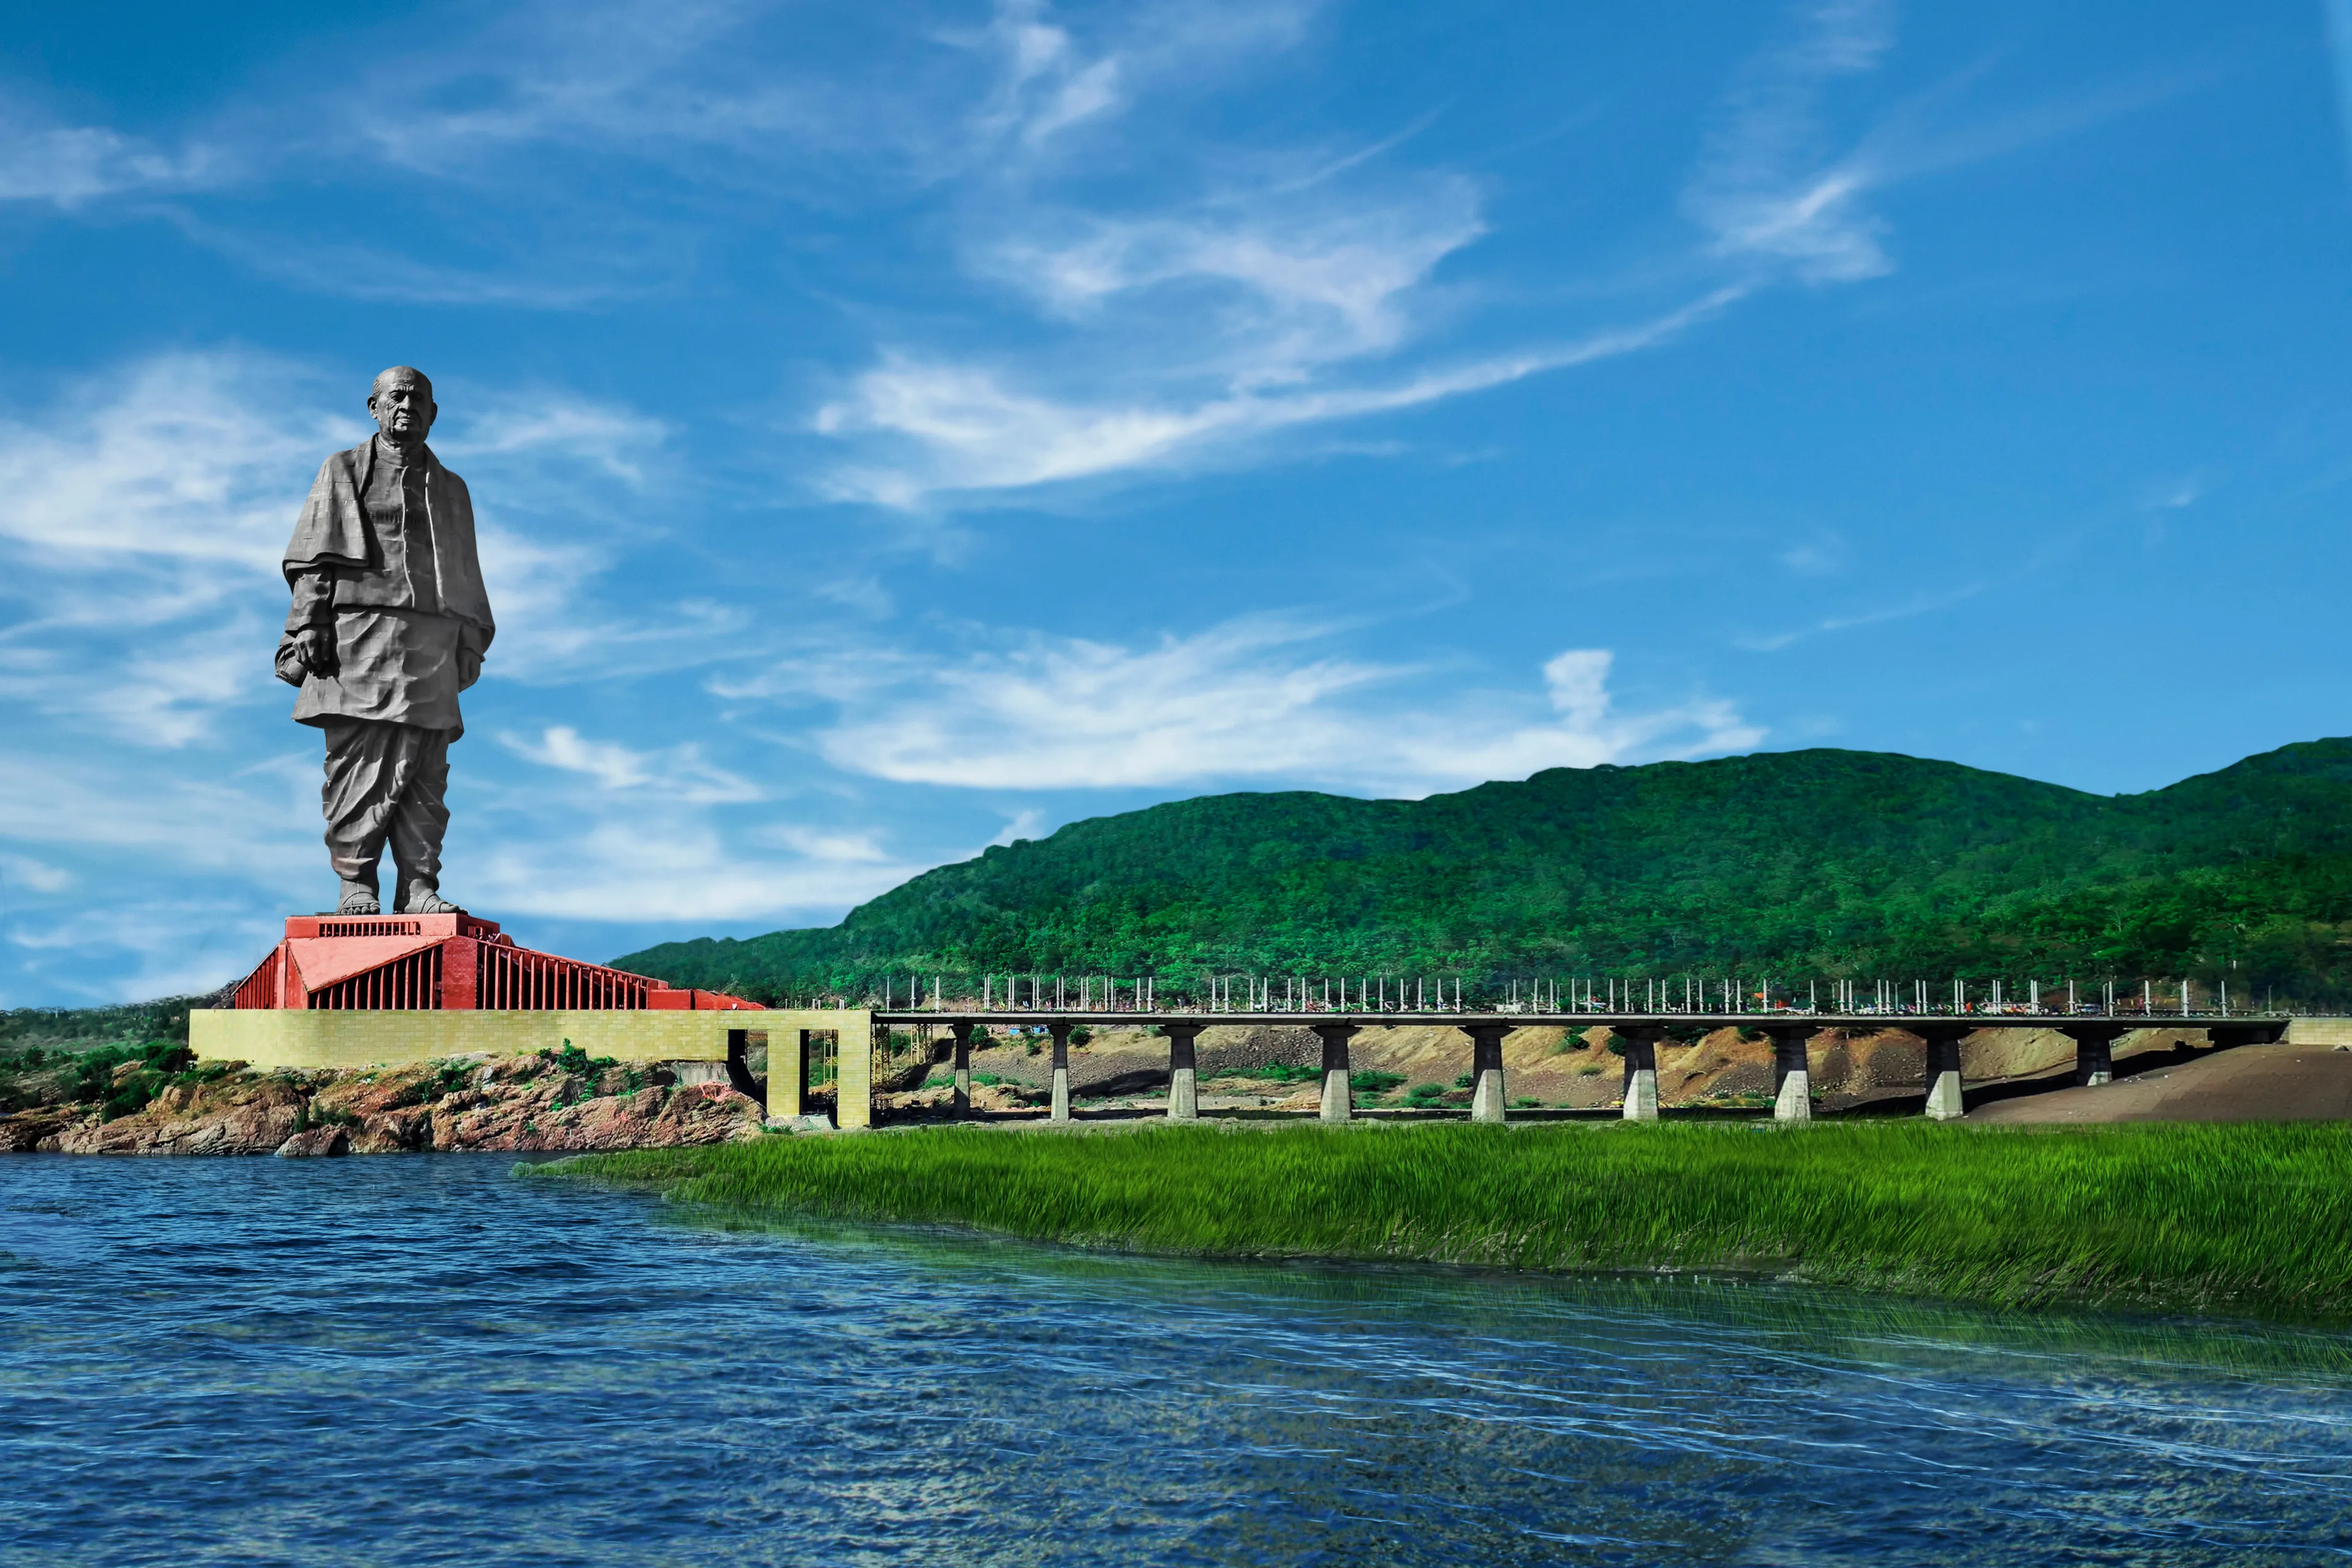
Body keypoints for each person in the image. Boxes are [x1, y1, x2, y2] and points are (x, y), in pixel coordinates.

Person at [275, 366, 494, 916]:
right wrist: (309, 624)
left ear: (434, 414)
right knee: (357, 762)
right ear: (372, 406)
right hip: (358, 636)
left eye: (419, 399)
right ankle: (357, 882)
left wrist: (468, 641)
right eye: (396, 396)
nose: (408, 405)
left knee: (426, 769)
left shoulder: (452, 489)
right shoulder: (343, 470)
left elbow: (467, 573)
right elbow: (314, 561)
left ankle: (419, 884)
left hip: (430, 640)